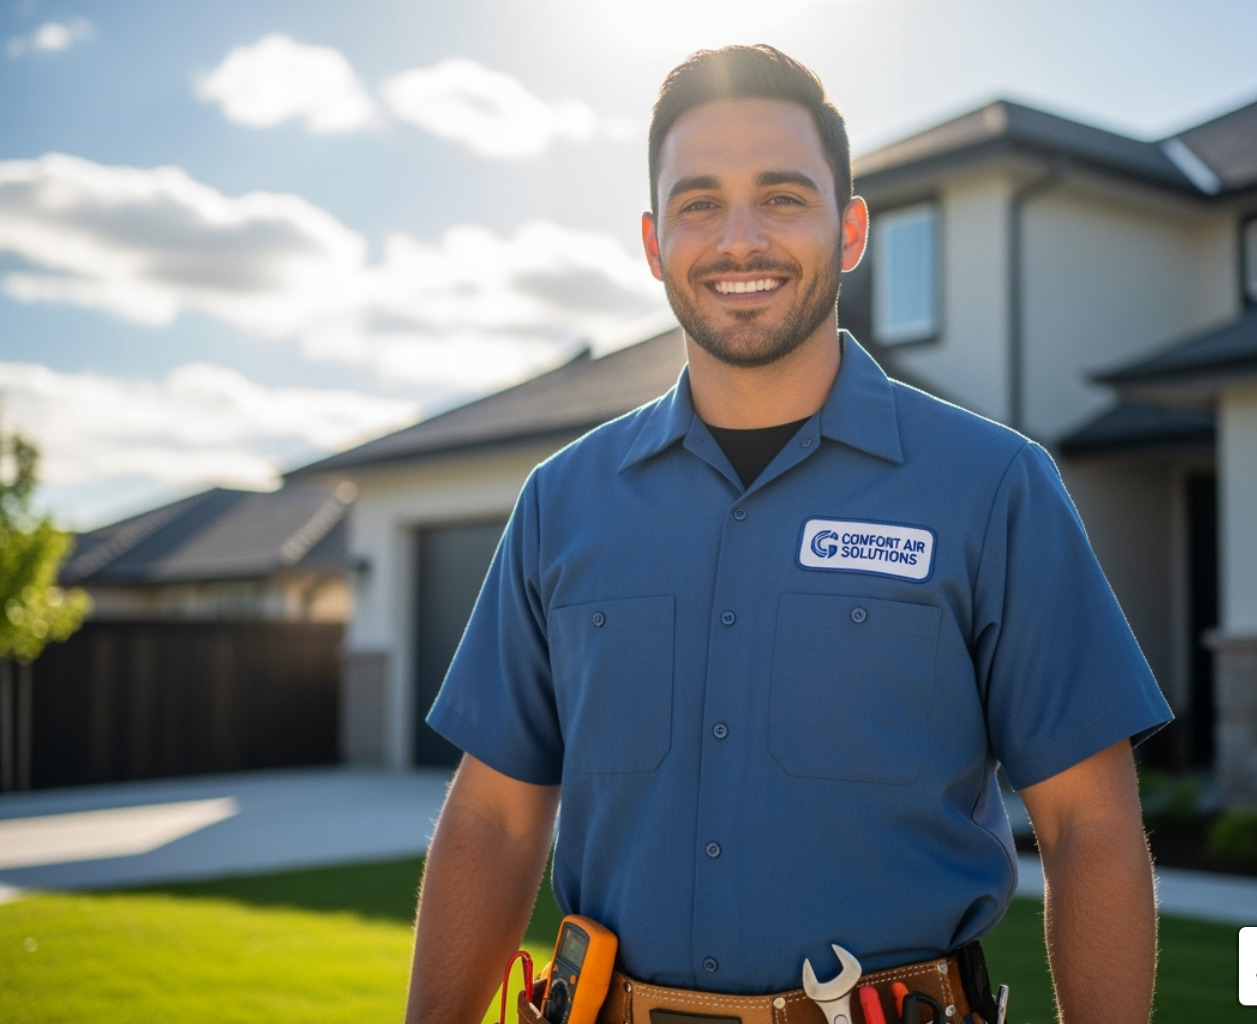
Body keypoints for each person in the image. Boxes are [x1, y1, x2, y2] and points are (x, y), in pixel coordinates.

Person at [404, 44, 1171, 1024]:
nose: (739, 239)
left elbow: (1091, 826)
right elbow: (494, 820)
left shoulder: (995, 487)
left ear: (849, 229)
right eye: (698, 203)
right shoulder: (564, 501)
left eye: (781, 196)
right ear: (652, 242)